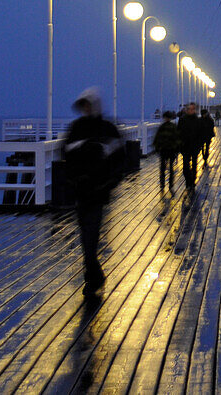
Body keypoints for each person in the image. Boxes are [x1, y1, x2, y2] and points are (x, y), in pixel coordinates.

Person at [62, 87, 122, 297]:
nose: (86, 108)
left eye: (89, 104)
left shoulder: (107, 128)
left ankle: (92, 279)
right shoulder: (75, 128)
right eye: (83, 105)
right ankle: (96, 276)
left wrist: (110, 181)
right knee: (84, 236)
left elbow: (119, 157)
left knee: (91, 238)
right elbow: (66, 154)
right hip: (80, 191)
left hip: (98, 191)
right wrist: (72, 179)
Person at [153, 110, 180, 195]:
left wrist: (157, 147)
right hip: (169, 150)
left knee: (163, 167)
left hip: (166, 149)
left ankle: (163, 183)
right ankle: (170, 184)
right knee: (169, 168)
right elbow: (177, 138)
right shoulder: (173, 126)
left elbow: (158, 138)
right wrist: (177, 149)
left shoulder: (163, 127)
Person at [178, 102, 202, 190]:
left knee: (194, 165)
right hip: (185, 147)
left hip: (195, 146)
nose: (191, 111)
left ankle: (192, 181)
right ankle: (188, 180)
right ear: (187, 110)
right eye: (189, 109)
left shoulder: (198, 120)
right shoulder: (182, 120)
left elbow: (200, 134)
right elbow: (179, 133)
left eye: (193, 109)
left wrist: (199, 145)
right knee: (185, 167)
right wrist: (180, 144)